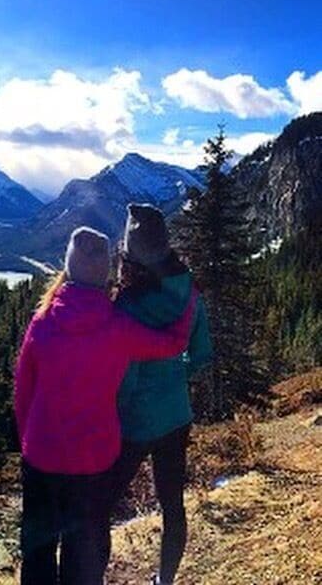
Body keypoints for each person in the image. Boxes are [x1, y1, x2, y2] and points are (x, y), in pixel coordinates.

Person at [14, 226, 197, 585]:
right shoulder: (118, 327)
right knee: (85, 556)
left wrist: (30, 444)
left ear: (68, 268)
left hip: (41, 457)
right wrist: (188, 294)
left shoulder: (42, 322)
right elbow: (174, 344)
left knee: (37, 553)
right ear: (106, 275)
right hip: (94, 461)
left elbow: (23, 394)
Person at [104, 204, 212, 585]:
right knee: (172, 506)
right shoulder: (190, 290)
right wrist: (174, 378)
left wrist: (115, 410)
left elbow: (126, 375)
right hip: (176, 414)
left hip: (134, 422)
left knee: (101, 505)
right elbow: (202, 354)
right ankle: (164, 581)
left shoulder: (128, 303)